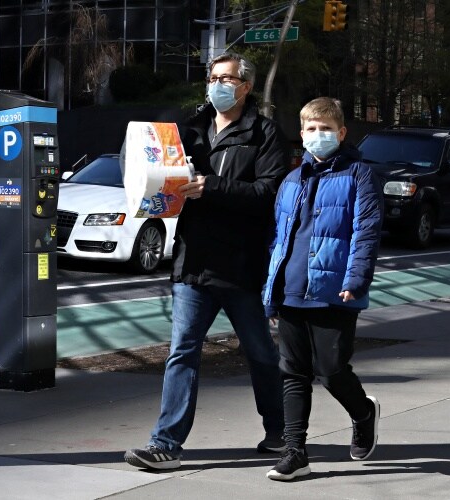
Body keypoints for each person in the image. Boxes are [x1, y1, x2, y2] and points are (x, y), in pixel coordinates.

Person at [124, 52, 291, 470]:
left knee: (260, 354)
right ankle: (166, 444)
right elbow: (165, 176)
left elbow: (268, 194)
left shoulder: (265, 134)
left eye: (227, 78)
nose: (218, 85)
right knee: (182, 351)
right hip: (193, 261)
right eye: (213, 77)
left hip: (240, 264)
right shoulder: (191, 130)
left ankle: (281, 432)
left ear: (245, 86)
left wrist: (210, 187)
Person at [262, 97, 384, 481]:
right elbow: (279, 236)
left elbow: (366, 232)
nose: (318, 135)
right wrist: (272, 285)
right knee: (293, 373)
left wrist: (355, 279)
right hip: (291, 289)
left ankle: (364, 413)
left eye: (326, 129)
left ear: (342, 132)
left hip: (335, 290)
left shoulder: (359, 174)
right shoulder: (292, 178)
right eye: (311, 129)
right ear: (301, 134)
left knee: (331, 370)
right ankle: (296, 452)